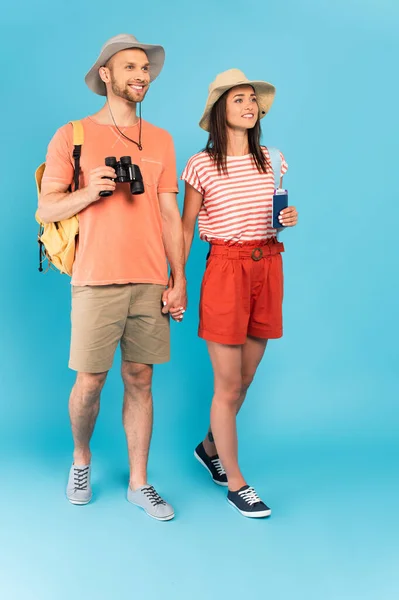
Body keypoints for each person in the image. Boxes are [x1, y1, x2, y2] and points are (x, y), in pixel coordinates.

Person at [38, 33, 186, 521]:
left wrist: (178, 276)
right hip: (95, 277)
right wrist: (90, 191)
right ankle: (82, 459)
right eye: (129, 67)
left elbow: (169, 213)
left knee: (140, 379)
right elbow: (47, 207)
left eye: (145, 68)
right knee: (90, 382)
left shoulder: (161, 139)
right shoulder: (73, 134)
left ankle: (139, 482)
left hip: (149, 278)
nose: (140, 75)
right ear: (106, 74)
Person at [180, 69, 298, 518]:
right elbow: (186, 225)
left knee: (243, 381)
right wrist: (178, 280)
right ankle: (237, 483)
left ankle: (208, 447)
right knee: (227, 386)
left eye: (253, 99)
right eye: (238, 100)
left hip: (268, 265)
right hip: (226, 270)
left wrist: (288, 219)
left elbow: (276, 211)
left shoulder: (274, 158)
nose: (249, 106)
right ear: (219, 111)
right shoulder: (200, 164)